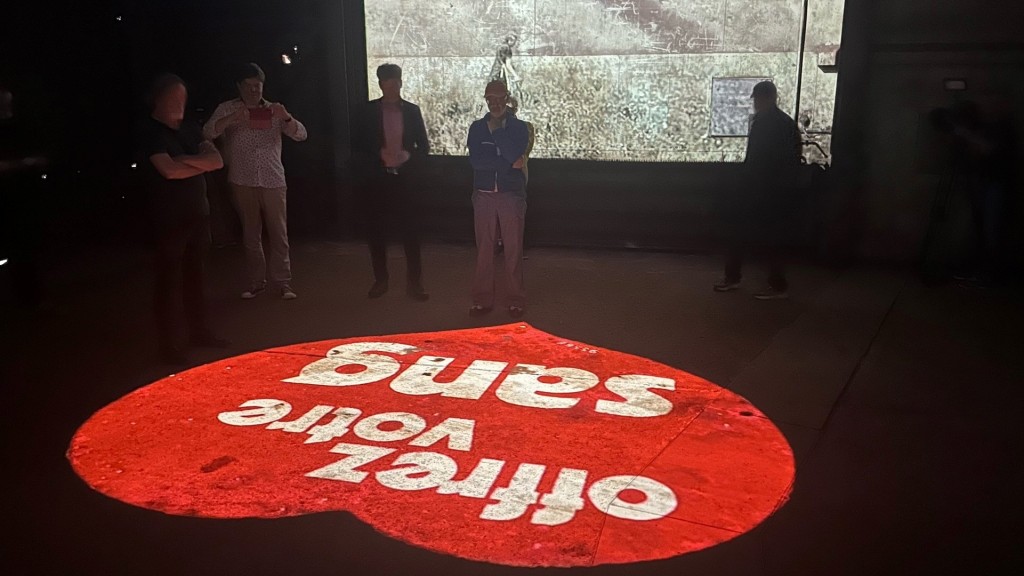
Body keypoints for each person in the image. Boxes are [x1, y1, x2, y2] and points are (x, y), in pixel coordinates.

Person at [139, 74, 227, 364]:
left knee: (196, 277)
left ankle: (199, 331)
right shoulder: (151, 132)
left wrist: (184, 161)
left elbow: (217, 161)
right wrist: (196, 164)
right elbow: (168, 171)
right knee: (168, 281)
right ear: (158, 98)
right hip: (167, 219)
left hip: (197, 214)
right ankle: (167, 344)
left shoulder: (190, 128)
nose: (180, 103)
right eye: (174, 98)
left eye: (183, 98)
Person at [203, 63, 307, 300]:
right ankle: (256, 282)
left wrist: (286, 117)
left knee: (279, 233)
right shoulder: (227, 108)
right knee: (251, 233)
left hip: (273, 178)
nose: (253, 91)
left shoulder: (274, 109)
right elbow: (208, 132)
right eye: (248, 86)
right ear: (239, 87)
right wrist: (232, 118)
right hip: (242, 179)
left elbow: (301, 134)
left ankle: (283, 283)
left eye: (257, 86)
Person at [351, 63, 431, 301]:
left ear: (401, 82)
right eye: (388, 80)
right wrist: (377, 156)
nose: (393, 85)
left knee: (411, 233)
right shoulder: (366, 111)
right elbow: (356, 147)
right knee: (376, 231)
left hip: (404, 180)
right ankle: (381, 280)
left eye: (397, 80)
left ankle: (415, 283)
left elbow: (424, 147)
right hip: (377, 180)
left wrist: (409, 156)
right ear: (380, 84)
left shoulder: (412, 111)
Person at [714, 80, 801, 299]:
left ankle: (738, 278)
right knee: (771, 240)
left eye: (758, 99)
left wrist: (746, 185)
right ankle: (774, 284)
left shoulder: (764, 123)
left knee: (741, 234)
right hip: (774, 192)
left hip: (761, 191)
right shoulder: (786, 123)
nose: (755, 104)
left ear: (767, 98)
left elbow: (757, 160)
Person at [467, 80, 530, 317]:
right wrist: (508, 162)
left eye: (499, 98)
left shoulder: (520, 127)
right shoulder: (476, 127)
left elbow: (516, 155)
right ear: (485, 100)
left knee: (513, 249)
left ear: (507, 98)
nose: (494, 103)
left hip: (511, 196)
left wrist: (498, 132)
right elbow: (477, 162)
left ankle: (516, 299)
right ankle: (482, 299)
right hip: (483, 196)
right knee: (484, 250)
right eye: (489, 99)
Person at [0, 86, 49, 309]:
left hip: (26, 196)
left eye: (7, 101)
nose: (5, 105)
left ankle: (33, 297)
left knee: (28, 248)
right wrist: (18, 164)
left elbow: (42, 155)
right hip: (6, 197)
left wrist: (32, 163)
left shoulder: (23, 127)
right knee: (13, 249)